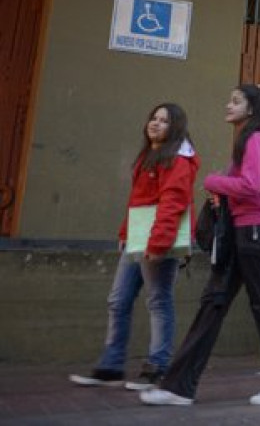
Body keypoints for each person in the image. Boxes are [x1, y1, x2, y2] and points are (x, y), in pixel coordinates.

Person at [141, 84, 260, 407]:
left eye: (236, 101)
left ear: (252, 109)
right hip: (244, 233)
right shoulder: (248, 139)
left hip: (256, 232)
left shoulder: (255, 139)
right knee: (214, 303)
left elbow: (252, 185)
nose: (228, 105)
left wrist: (215, 182)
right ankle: (178, 387)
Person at [69, 103, 199, 391]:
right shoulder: (150, 155)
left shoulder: (178, 158)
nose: (155, 123)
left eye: (164, 121)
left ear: (175, 127)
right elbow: (139, 201)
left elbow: (172, 203)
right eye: (153, 118)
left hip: (157, 243)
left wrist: (158, 244)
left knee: (158, 301)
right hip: (137, 240)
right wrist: (125, 233)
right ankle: (111, 366)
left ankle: (158, 368)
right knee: (118, 300)